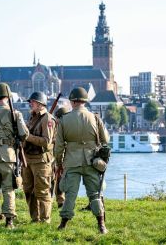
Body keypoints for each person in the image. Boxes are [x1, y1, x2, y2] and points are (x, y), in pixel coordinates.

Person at [54, 87, 110, 234]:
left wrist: (59, 164)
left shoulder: (64, 120)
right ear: (85, 101)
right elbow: (106, 140)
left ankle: (63, 224)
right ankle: (101, 225)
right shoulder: (95, 117)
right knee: (95, 194)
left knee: (70, 194)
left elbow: (59, 147)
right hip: (92, 161)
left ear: (72, 101)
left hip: (72, 162)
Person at [0, 83, 29, 229]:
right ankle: (9, 221)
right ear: (8, 96)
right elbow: (24, 134)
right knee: (8, 188)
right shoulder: (15, 113)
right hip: (8, 155)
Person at [22, 91, 56, 223]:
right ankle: (35, 219)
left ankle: (45, 219)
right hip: (28, 159)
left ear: (41, 104)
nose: (30, 104)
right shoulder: (32, 117)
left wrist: (28, 137)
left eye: (33, 102)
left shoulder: (47, 118)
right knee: (28, 190)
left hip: (41, 161)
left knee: (42, 191)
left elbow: (46, 141)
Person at [52, 106, 70, 208]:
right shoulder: (56, 127)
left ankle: (62, 200)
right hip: (57, 156)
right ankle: (60, 201)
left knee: (63, 180)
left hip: (65, 157)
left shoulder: (66, 127)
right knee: (58, 180)